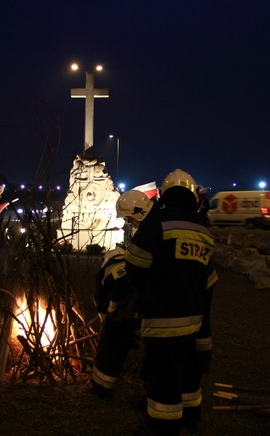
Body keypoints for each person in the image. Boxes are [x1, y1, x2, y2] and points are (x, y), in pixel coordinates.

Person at [125, 169, 217, 435]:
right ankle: (191, 417)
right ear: (192, 195)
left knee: (162, 377)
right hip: (194, 322)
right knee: (189, 373)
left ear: (163, 194)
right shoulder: (203, 228)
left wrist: (144, 289)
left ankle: (163, 427)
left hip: (162, 319)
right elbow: (209, 279)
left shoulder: (158, 221)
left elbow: (135, 263)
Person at [88, 190, 152, 397]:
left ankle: (102, 386)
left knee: (112, 343)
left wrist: (107, 318)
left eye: (129, 218)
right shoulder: (151, 229)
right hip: (147, 302)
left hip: (128, 304)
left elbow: (103, 300)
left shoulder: (104, 272)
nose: (129, 222)